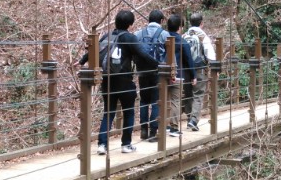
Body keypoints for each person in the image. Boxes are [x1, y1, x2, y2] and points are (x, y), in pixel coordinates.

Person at [78, 9, 158, 154]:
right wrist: (158, 65)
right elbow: (143, 54)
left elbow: (93, 51)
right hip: (125, 81)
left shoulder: (107, 36)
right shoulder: (130, 38)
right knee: (128, 112)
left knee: (108, 112)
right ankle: (126, 144)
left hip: (107, 80)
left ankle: (102, 145)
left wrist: (82, 61)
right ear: (130, 24)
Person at [134, 10, 169, 141]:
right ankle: (153, 132)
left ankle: (143, 129)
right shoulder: (165, 35)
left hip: (142, 72)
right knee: (156, 101)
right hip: (157, 72)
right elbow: (169, 55)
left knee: (144, 101)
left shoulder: (138, 34)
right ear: (161, 21)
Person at [182, 12, 216, 131]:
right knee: (198, 94)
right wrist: (214, 64)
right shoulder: (203, 37)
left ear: (190, 23)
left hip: (186, 70)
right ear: (201, 23)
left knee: (188, 94)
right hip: (199, 69)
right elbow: (210, 55)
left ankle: (188, 119)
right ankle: (193, 120)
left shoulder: (184, 35)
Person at [165, 14, 196, 138]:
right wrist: (193, 76)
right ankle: (173, 127)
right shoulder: (182, 42)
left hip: (162, 73)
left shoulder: (163, 38)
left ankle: (164, 126)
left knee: (164, 99)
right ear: (180, 27)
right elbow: (189, 60)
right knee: (175, 101)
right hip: (177, 74)